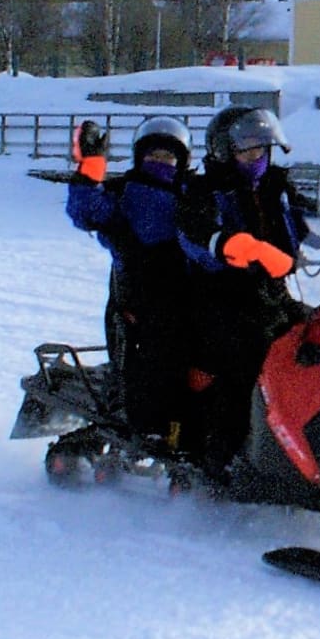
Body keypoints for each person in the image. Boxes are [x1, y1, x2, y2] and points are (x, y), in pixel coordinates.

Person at [176, 106, 310, 475]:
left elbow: (313, 217)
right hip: (220, 301)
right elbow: (194, 233)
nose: (256, 158)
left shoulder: (277, 188)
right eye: (248, 151)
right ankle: (223, 462)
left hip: (272, 296)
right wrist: (238, 246)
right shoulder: (205, 190)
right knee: (249, 363)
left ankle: (313, 442)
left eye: (262, 151)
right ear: (223, 151)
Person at [66, 115, 197, 451]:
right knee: (156, 357)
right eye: (153, 157)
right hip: (140, 298)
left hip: (190, 293)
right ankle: (149, 427)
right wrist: (91, 166)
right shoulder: (125, 192)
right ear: (140, 157)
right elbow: (87, 212)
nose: (161, 164)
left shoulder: (192, 193)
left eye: (168, 158)